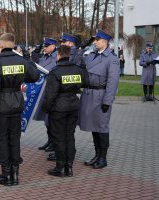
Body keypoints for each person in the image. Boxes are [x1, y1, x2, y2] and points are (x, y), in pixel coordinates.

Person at [0, 33, 39, 186]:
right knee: (14, 138)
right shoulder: (21, 61)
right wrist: (28, 60)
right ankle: (15, 175)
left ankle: (6, 174)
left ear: (0, 44)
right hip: (16, 104)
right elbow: (34, 76)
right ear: (14, 45)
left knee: (1, 139)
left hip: (0, 106)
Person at [42, 45, 88, 177]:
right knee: (69, 136)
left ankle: (60, 167)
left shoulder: (55, 71)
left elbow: (50, 94)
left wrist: (46, 108)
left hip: (58, 108)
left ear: (59, 55)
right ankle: (69, 167)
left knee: (59, 138)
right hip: (73, 106)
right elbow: (86, 82)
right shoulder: (77, 69)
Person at [78, 29, 120, 169]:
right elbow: (77, 62)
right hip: (89, 94)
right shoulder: (91, 55)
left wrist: (107, 101)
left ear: (105, 42)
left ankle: (103, 158)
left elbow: (112, 82)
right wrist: (80, 48)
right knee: (93, 128)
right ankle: (97, 155)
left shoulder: (112, 59)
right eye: (94, 40)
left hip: (100, 96)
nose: (95, 42)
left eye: (97, 40)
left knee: (102, 127)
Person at [31, 38, 58, 153]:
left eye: (46, 46)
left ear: (52, 46)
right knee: (46, 119)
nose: (45, 48)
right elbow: (37, 66)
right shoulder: (46, 56)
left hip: (51, 89)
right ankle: (50, 141)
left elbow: (48, 70)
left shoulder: (56, 56)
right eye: (44, 47)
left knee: (51, 119)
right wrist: (35, 54)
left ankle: (53, 142)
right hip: (44, 89)